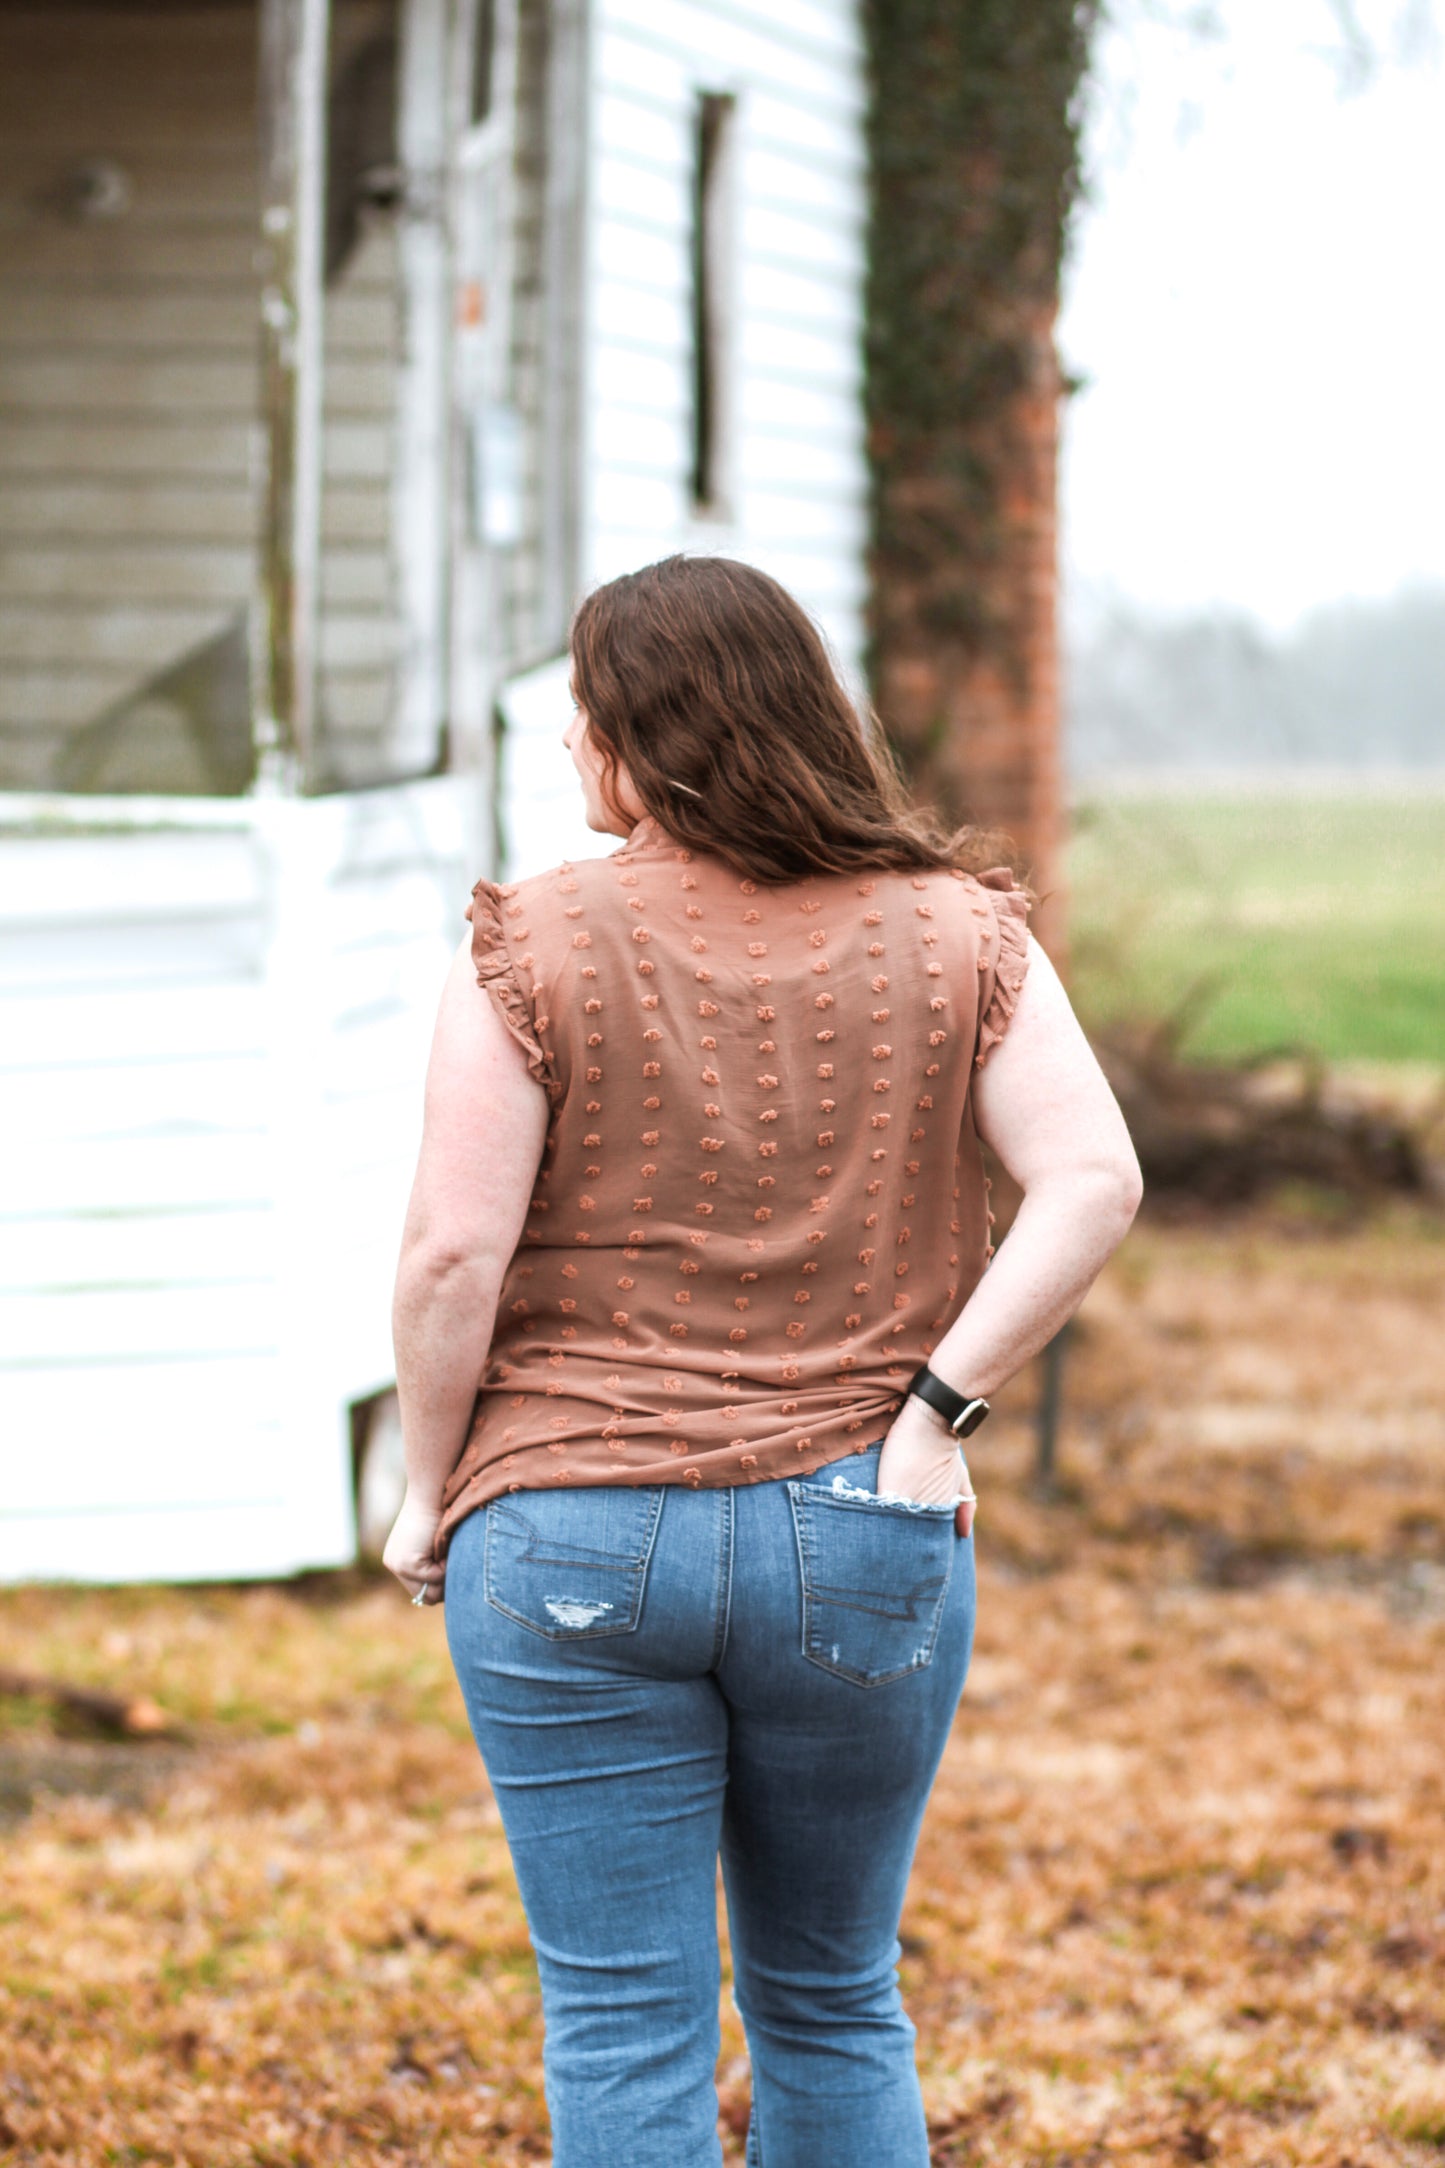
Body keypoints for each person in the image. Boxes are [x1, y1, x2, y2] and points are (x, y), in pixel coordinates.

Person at [384, 555, 1142, 2168]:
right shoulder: (957, 935)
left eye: (589, 717)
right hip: (860, 1524)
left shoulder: (531, 946)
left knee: (618, 2021)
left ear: (633, 739)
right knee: (831, 1996)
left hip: (566, 1527)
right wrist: (936, 1416)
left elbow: (452, 1254)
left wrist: (426, 1486)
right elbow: (1093, 1177)